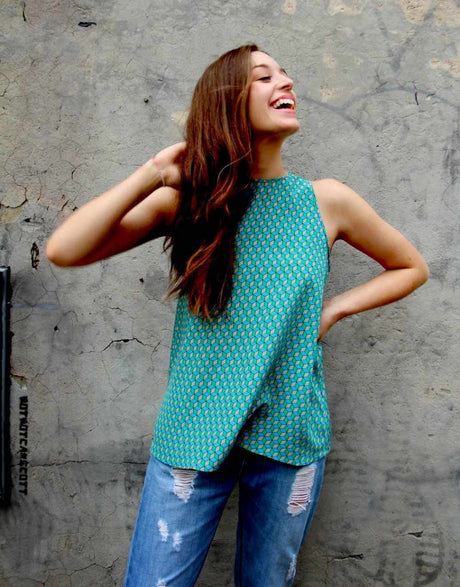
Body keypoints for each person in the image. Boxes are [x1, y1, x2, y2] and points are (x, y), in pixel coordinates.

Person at [46, 44, 429, 586]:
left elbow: (411, 267)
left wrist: (332, 311)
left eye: (285, 74)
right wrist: (153, 173)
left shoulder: (327, 201)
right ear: (226, 101)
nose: (285, 82)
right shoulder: (189, 203)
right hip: (194, 430)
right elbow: (64, 250)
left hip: (290, 434)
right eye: (263, 76)